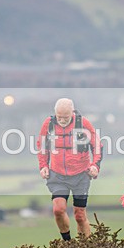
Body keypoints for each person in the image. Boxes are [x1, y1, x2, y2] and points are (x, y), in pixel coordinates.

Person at [37, 98, 103, 240]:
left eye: (65, 117)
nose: (61, 120)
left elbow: (97, 145)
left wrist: (95, 165)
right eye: (59, 117)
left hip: (80, 175)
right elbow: (42, 146)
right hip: (57, 175)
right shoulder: (49, 124)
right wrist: (43, 166)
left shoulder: (83, 123)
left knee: (79, 215)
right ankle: (68, 245)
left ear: (72, 113)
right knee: (58, 210)